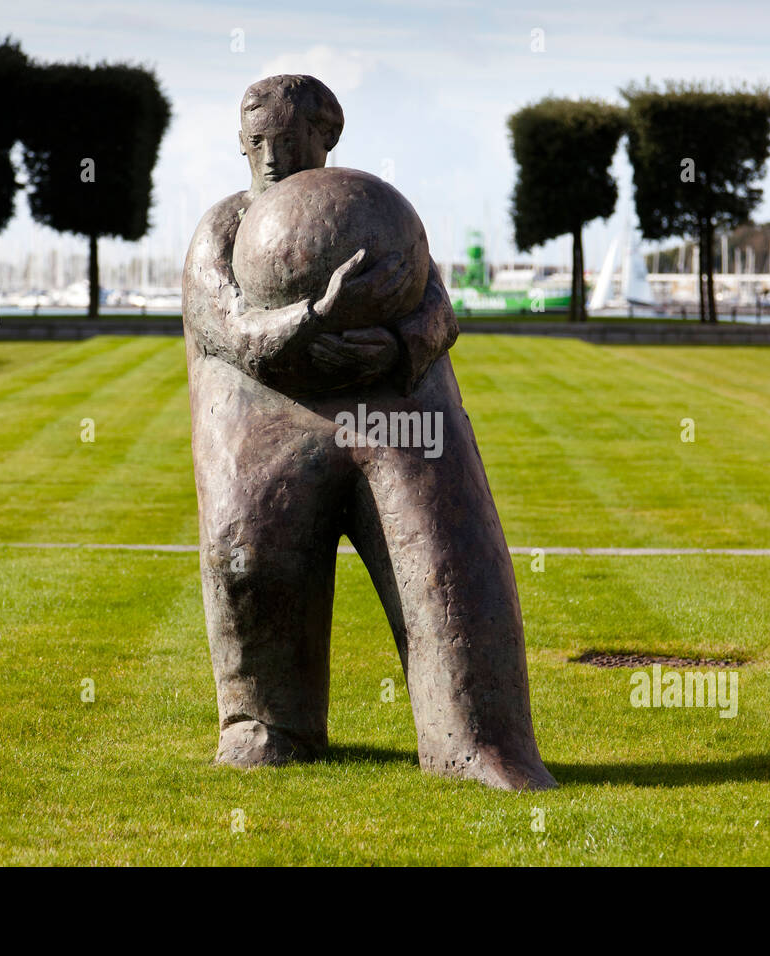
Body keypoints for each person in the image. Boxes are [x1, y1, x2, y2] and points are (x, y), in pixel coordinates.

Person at [182, 74, 555, 790]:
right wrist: (311, 318)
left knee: (449, 557)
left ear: (326, 140)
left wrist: (398, 345)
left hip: (392, 402)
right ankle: (267, 724)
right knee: (249, 559)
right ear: (240, 145)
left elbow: (439, 308)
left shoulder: (369, 218)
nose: (270, 158)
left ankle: (476, 739)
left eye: (288, 142)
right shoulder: (223, 229)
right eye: (257, 143)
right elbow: (224, 324)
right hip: (264, 412)